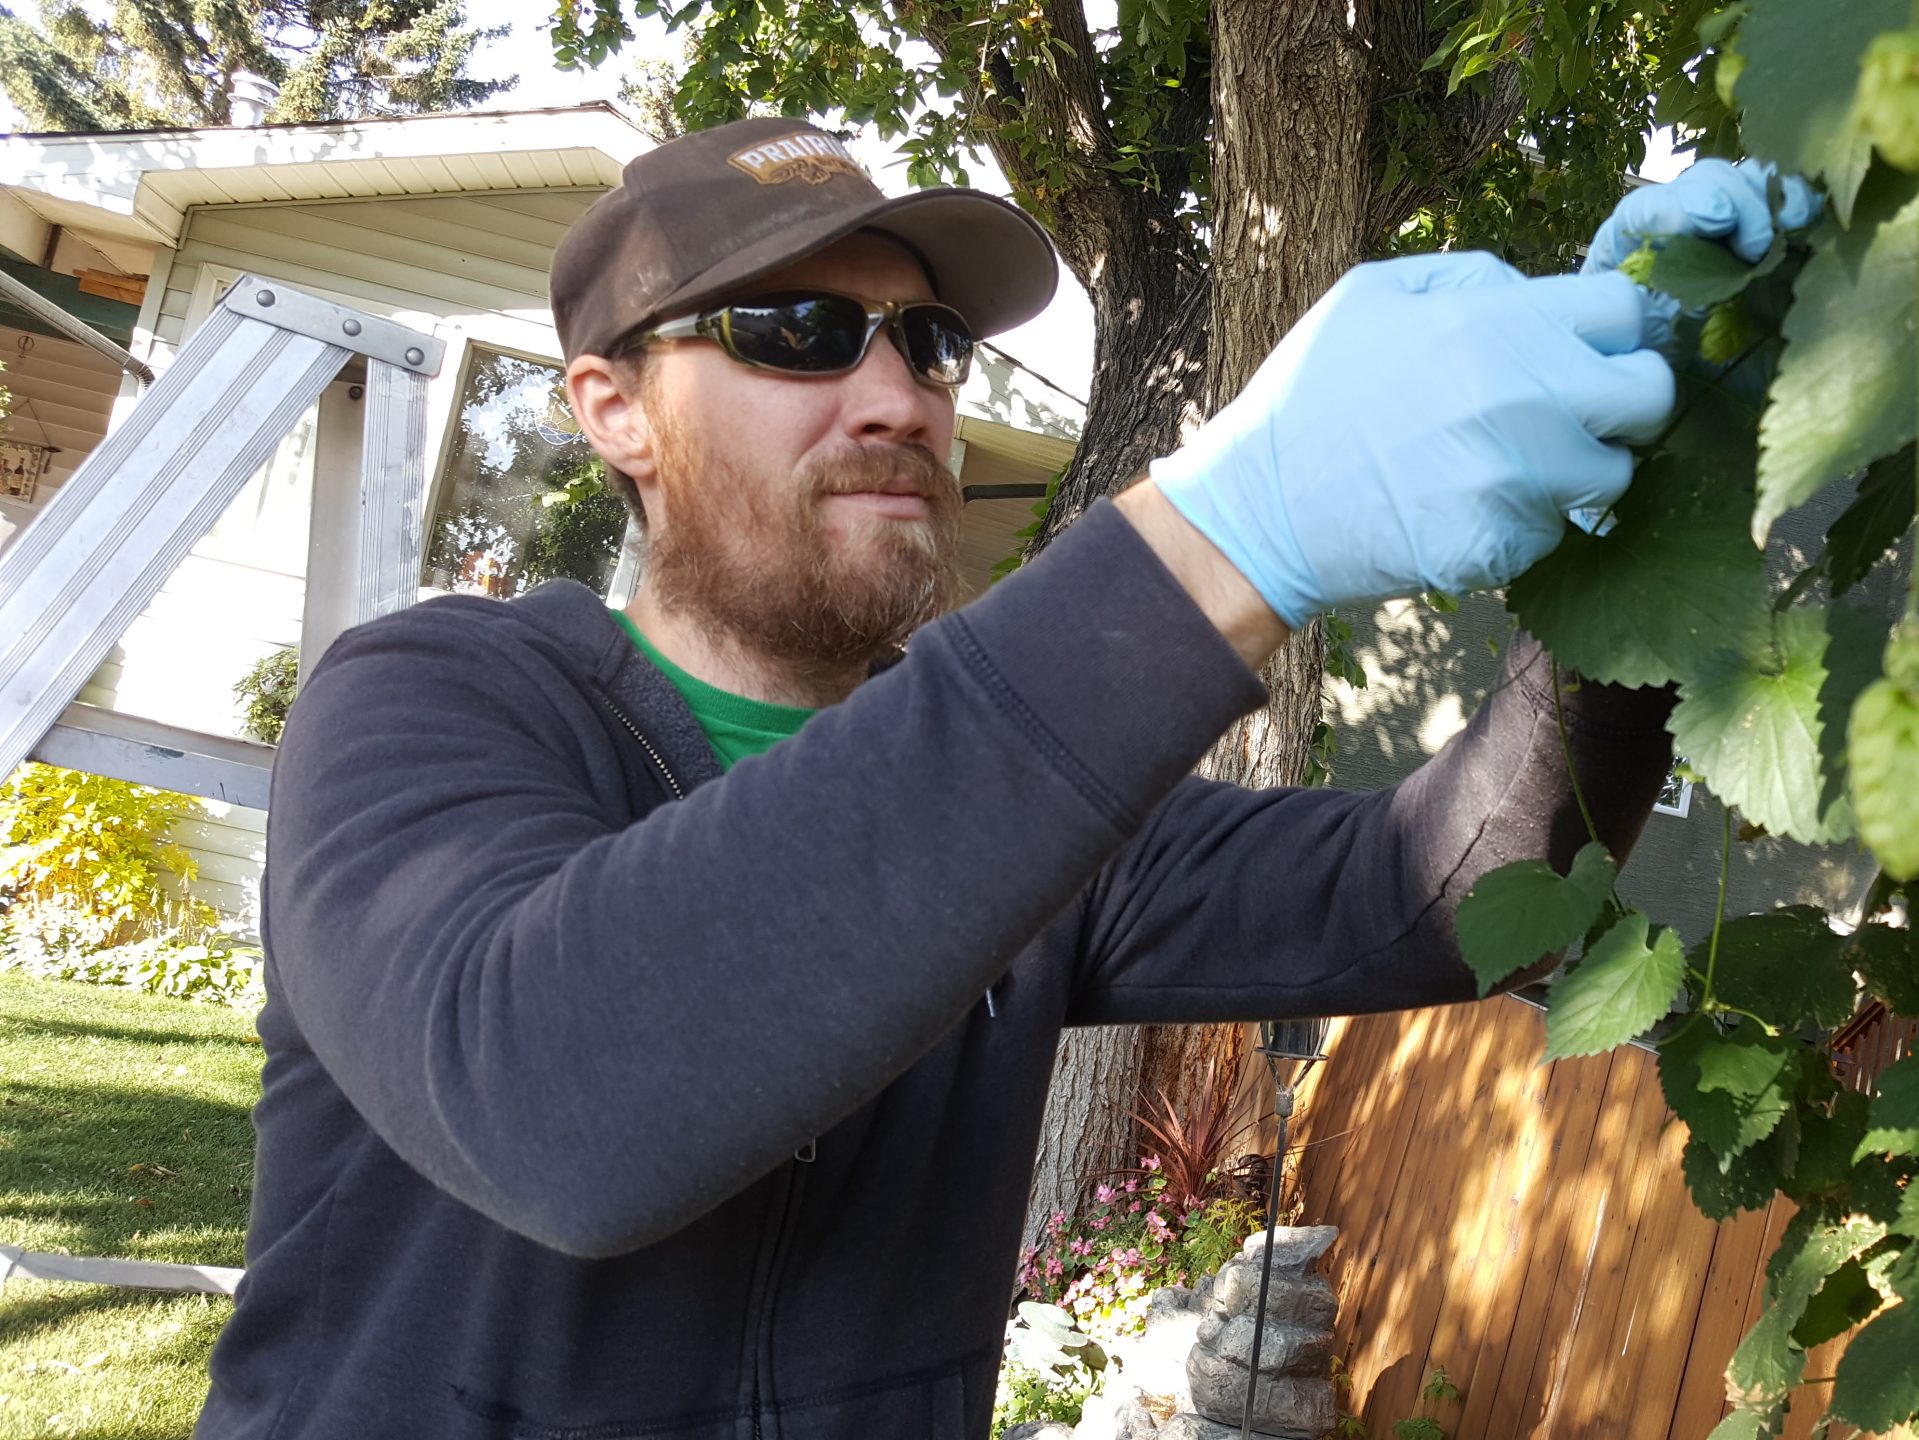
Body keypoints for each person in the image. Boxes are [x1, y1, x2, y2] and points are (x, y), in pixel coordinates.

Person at [196, 117, 1813, 1438]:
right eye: (800, 332)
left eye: (931, 342)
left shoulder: (1033, 819)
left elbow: (1458, 890)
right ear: (612, 405)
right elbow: (560, 1108)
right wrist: (1224, 531)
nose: (900, 395)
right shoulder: (428, 701)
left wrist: (1642, 544)